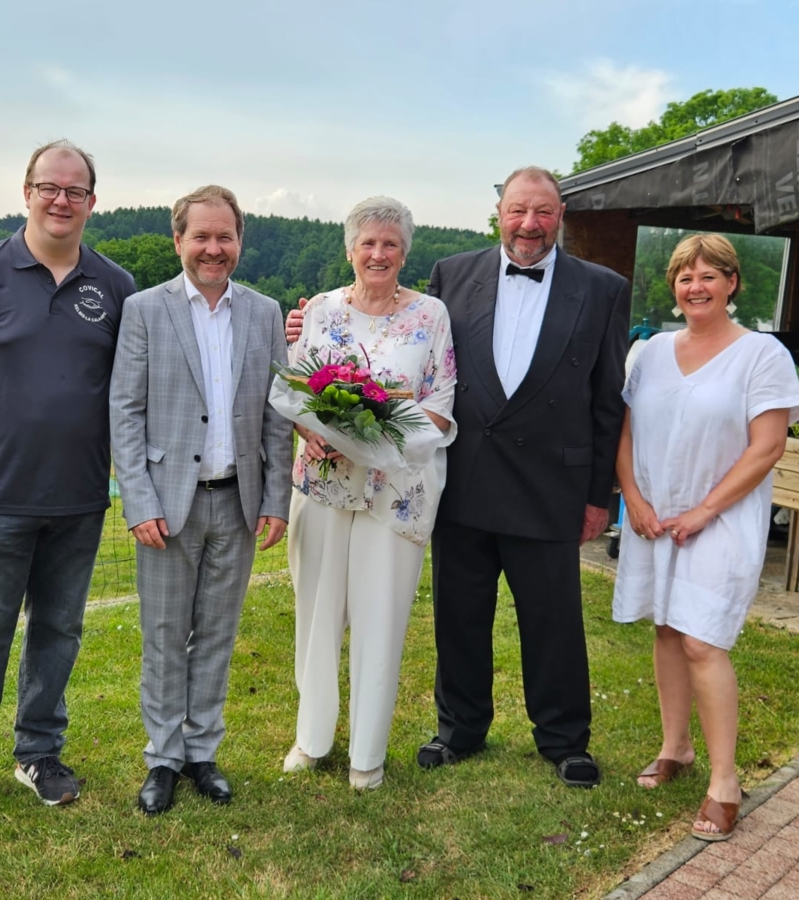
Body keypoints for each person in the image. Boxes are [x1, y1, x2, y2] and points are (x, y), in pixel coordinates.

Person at [285, 166, 629, 786]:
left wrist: (598, 494)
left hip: (549, 483)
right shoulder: (455, 276)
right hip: (468, 480)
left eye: (544, 212)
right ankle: (459, 729)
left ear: (561, 215)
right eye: (519, 210)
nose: (530, 225)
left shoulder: (602, 288)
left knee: (553, 618)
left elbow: (608, 397)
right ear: (498, 212)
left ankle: (564, 738)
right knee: (459, 615)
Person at [0, 140, 136, 818]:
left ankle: (38, 751)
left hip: (80, 492)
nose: (61, 200)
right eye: (50, 187)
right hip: (0, 489)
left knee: (58, 631)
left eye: (75, 190)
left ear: (93, 202)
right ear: (26, 192)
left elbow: (125, 382)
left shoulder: (115, 285)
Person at [612, 234, 799, 841]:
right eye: (684, 277)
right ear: (673, 287)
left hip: (720, 518)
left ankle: (724, 781)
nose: (695, 286)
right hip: (653, 517)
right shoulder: (647, 352)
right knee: (667, 628)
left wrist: (702, 511)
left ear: (732, 284)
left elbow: (767, 447)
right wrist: (634, 502)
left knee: (702, 640)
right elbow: (624, 436)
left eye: (708, 276)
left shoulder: (762, 355)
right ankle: (677, 748)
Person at [110, 185, 293, 815]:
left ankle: (202, 751)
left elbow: (278, 415)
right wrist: (138, 500)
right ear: (179, 240)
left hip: (237, 503)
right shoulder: (145, 309)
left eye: (225, 236)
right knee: (165, 635)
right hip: (167, 505)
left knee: (217, 633)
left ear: (240, 240)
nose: (213, 248)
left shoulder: (264, 313)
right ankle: (162, 757)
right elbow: (125, 411)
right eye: (201, 236)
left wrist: (276, 499)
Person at [281, 197, 456, 791]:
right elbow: (296, 387)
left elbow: (439, 406)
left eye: (391, 243)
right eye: (368, 243)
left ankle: (367, 755)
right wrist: (316, 432)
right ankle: (312, 737)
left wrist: (378, 439)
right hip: (324, 483)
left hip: (395, 489)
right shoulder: (321, 310)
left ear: (406, 251)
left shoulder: (430, 315)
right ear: (350, 249)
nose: (379, 253)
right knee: (317, 613)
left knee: (381, 617)